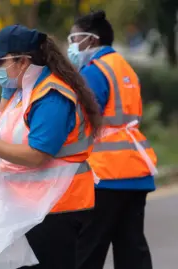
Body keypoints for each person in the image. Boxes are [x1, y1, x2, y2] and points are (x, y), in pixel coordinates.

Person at [0, 24, 102, 269]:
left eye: (0, 62)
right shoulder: (23, 91)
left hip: (60, 207)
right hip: (32, 206)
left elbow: (38, 156)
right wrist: (4, 97)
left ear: (22, 62)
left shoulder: (51, 96)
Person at [67, 10, 158, 269]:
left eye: (74, 39)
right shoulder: (124, 67)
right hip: (135, 171)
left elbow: (80, 121)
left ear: (91, 40)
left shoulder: (94, 72)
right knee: (132, 250)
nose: (71, 45)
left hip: (105, 175)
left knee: (88, 250)